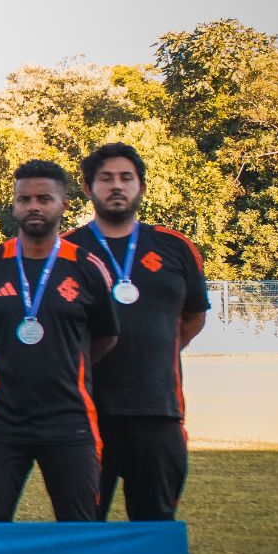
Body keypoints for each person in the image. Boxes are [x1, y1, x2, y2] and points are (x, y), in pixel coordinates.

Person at [0, 161, 118, 522]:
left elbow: (105, 336)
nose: (34, 206)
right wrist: (9, 356)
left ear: (63, 204)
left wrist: (63, 359)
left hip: (69, 416)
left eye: (44, 198)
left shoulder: (86, 266)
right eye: (25, 198)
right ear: (14, 204)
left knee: (79, 523)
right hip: (3, 417)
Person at [70, 142, 210, 521]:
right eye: (106, 178)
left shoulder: (175, 247)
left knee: (155, 524)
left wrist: (159, 349)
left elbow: (194, 315)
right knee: (82, 524)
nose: (117, 186)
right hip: (83, 413)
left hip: (157, 411)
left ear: (141, 187)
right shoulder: (67, 250)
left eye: (126, 178)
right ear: (88, 188)